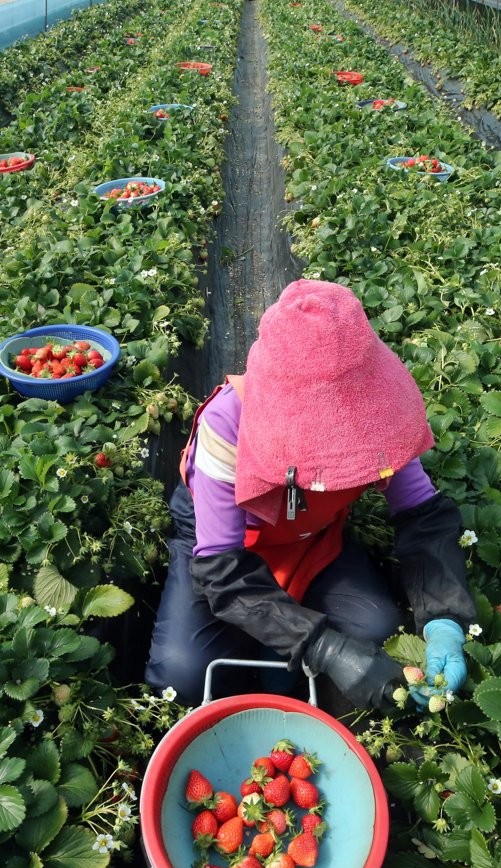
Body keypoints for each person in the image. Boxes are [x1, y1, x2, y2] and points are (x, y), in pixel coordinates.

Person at [145, 279, 476, 711]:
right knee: (183, 674)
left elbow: (422, 513)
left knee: (377, 630)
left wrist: (444, 620)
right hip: (227, 549)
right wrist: (326, 648)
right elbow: (222, 568)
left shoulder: (379, 415)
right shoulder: (228, 424)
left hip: (312, 535)